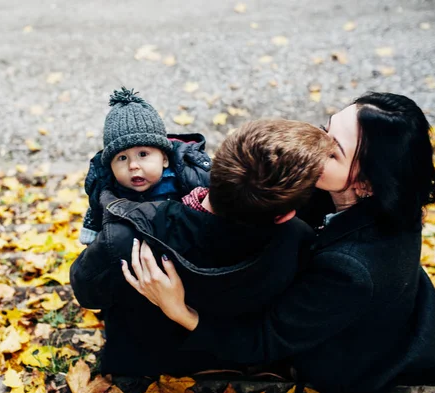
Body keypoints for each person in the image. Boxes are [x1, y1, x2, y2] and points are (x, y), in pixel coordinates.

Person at [124, 92, 435, 393]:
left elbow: (264, 339)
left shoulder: (351, 269)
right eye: (324, 129)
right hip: (393, 318)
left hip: (350, 365)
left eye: (333, 151)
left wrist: (180, 311)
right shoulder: (391, 196)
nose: (312, 146)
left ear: (367, 183)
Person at [70, 119, 335, 376]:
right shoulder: (296, 238)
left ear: (216, 165)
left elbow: (88, 294)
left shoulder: (126, 239)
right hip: (235, 358)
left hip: (146, 363)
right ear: (285, 215)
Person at [79, 87, 211, 245]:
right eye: (122, 158)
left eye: (143, 154)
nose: (133, 165)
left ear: (164, 159)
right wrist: (91, 236)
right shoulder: (106, 188)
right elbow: (96, 213)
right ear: (111, 167)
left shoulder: (189, 176)